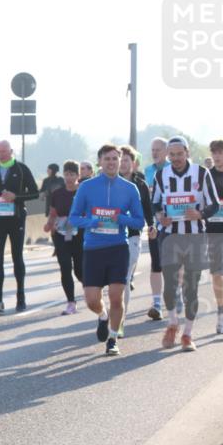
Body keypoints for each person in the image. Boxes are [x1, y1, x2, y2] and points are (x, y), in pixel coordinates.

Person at [68, 144, 144, 356]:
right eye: (107, 159)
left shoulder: (130, 188)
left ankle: (112, 338)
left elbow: (139, 222)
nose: (111, 162)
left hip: (118, 248)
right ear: (100, 162)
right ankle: (103, 316)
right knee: (92, 299)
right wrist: (91, 222)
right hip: (93, 249)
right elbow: (74, 218)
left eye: (114, 159)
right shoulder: (86, 187)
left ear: (120, 161)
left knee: (116, 297)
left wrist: (121, 219)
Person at [151, 136, 221, 352]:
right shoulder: (161, 175)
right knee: (170, 287)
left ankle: (188, 334)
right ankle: (173, 323)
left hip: (194, 236)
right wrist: (160, 216)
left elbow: (214, 204)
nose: (176, 158)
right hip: (170, 236)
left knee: (191, 287)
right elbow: (155, 203)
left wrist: (199, 214)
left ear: (187, 153)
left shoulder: (201, 173)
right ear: (167, 155)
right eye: (172, 155)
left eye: (179, 154)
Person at [0, 139, 39, 312]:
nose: (0, 154)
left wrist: (16, 197)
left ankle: (21, 297)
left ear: (11, 151)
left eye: (4, 151)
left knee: (17, 256)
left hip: (16, 219)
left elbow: (35, 192)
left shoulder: (21, 169)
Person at [117, 146, 154, 336]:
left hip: (132, 236)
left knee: (123, 278)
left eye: (126, 160)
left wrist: (152, 225)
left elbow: (148, 209)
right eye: (120, 160)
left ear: (133, 163)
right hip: (109, 236)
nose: (123, 164)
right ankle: (110, 314)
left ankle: (120, 320)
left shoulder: (140, 185)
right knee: (112, 282)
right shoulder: (108, 183)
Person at [44, 160, 83, 314]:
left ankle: (92, 290)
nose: (69, 178)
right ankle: (71, 302)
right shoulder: (57, 193)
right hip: (61, 235)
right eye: (66, 174)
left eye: (72, 174)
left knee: (79, 270)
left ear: (78, 176)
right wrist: (49, 224)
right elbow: (53, 212)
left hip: (79, 234)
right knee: (65, 267)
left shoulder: (83, 192)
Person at [206, 139, 223, 334]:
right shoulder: (207, 176)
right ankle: (220, 311)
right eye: (214, 152)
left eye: (220, 152)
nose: (217, 156)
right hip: (212, 230)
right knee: (216, 274)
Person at [144, 137, 170, 319]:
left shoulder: (173, 169)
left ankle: (176, 297)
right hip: (155, 223)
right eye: (153, 150)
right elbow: (148, 199)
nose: (154, 153)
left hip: (174, 224)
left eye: (158, 149)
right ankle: (157, 304)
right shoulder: (148, 170)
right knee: (156, 264)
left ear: (166, 151)